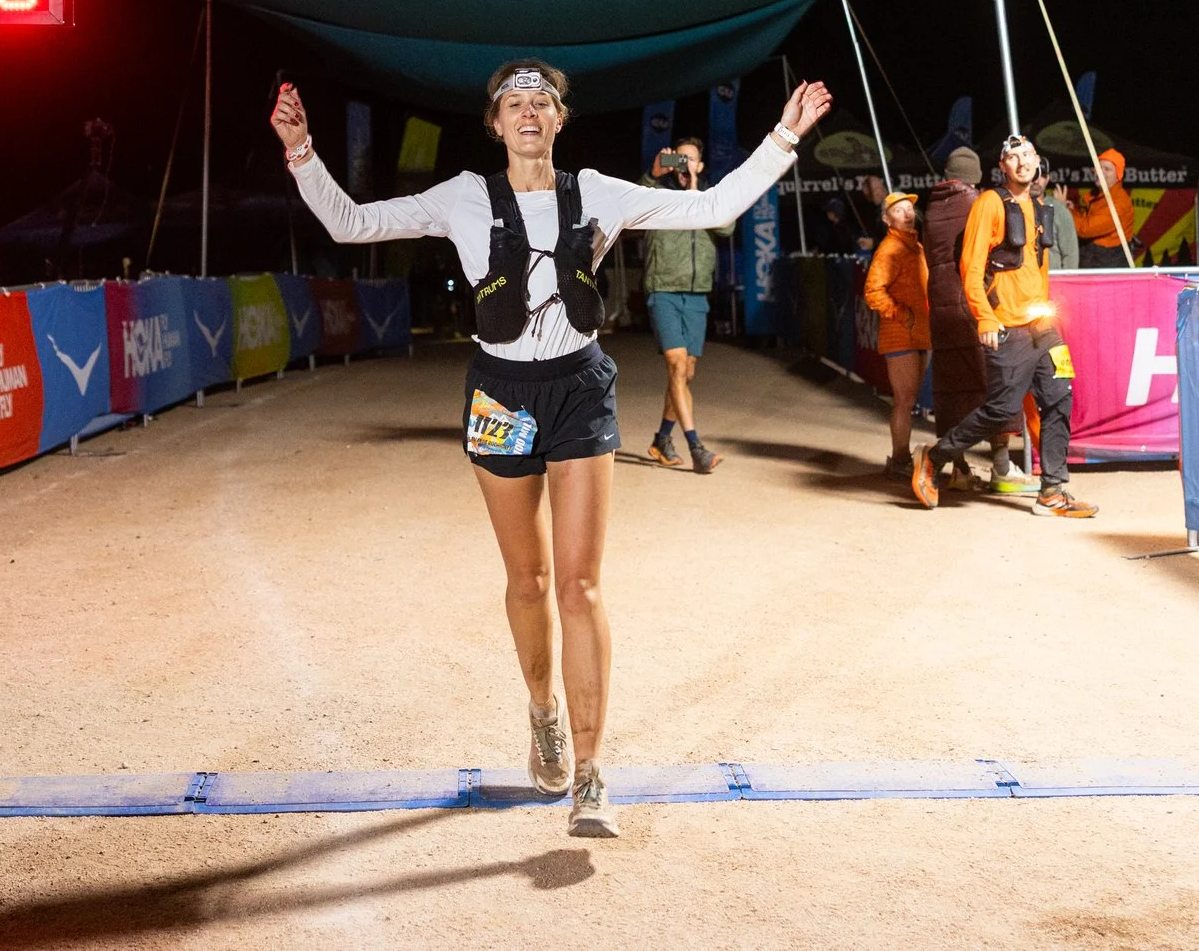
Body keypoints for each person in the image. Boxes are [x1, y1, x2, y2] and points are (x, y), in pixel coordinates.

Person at [273, 61, 831, 837]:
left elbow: (713, 203)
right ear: (494, 124)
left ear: (560, 120)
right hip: (500, 393)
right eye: (513, 102)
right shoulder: (463, 197)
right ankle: (544, 715)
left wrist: (784, 135)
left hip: (577, 388)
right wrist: (301, 150)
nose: (528, 112)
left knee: (580, 588)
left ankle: (594, 773)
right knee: (529, 581)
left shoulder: (598, 192)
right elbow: (351, 223)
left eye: (542, 102)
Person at [914, 134, 1095, 517]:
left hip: (1043, 326)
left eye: (1028, 155)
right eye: (1014, 157)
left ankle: (1052, 490)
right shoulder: (989, 203)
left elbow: (1038, 270)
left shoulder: (1039, 206)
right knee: (1001, 410)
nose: (1023, 162)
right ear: (1003, 166)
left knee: (1061, 396)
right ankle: (933, 456)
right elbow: (971, 266)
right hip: (1007, 327)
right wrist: (985, 317)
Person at [917, 149, 1028, 492]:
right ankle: (1001, 467)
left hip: (942, 311)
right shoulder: (978, 204)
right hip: (973, 307)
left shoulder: (933, 209)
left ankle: (960, 469)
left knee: (953, 390)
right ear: (974, 175)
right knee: (995, 385)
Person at [639, 138, 724, 474]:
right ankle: (696, 447)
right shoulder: (658, 196)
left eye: (690, 159)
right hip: (663, 290)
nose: (684, 164)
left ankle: (661, 439)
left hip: (697, 294)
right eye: (679, 157)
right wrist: (652, 173)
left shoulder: (709, 198)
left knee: (685, 374)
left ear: (700, 166)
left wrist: (696, 191)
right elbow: (639, 197)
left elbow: (727, 224)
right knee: (676, 366)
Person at [863, 190, 930, 476]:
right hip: (900, 334)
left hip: (918, 333)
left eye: (909, 209)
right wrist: (903, 315)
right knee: (904, 400)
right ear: (886, 218)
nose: (907, 214)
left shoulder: (916, 246)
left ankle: (900, 458)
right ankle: (899, 459)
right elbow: (872, 292)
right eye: (899, 210)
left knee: (909, 400)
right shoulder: (890, 248)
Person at [1071, 146, 1138, 267]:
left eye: (1107, 169)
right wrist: (1072, 210)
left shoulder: (1119, 202)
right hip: (1095, 263)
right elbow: (1086, 222)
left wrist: (1066, 213)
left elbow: (1085, 229)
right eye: (1098, 167)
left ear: (1118, 175)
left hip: (1109, 268)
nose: (1100, 172)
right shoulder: (1097, 197)